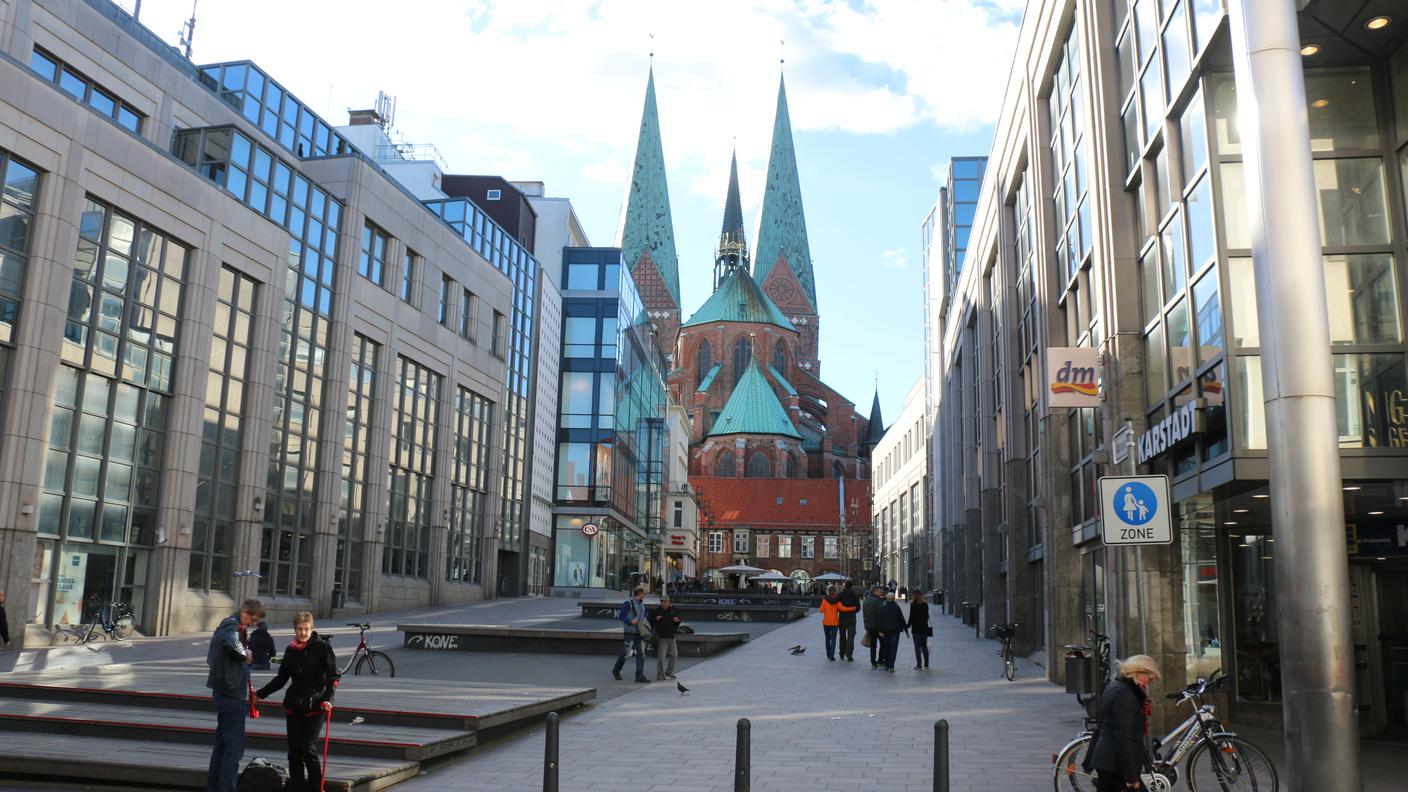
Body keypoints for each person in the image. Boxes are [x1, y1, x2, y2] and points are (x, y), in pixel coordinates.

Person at [256, 612, 337, 792]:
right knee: (294, 753)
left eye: (306, 629)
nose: (303, 633)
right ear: (295, 630)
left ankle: (316, 788)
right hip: (294, 705)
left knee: (308, 749)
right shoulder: (290, 650)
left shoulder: (322, 648)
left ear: (312, 628)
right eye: (300, 629)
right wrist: (260, 694)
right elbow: (281, 679)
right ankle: (298, 788)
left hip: (317, 704)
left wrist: (328, 699)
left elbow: (333, 677)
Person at [205, 598, 265, 792]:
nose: (253, 624)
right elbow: (231, 643)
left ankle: (214, 788)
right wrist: (245, 654)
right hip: (231, 694)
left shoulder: (230, 625)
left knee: (222, 746)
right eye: (253, 619)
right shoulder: (231, 625)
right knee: (233, 749)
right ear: (245, 612)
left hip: (225, 691)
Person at [1087, 655, 1160, 792]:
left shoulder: (1116, 686)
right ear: (1139, 672)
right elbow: (1124, 737)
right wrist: (1131, 777)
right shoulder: (1126, 696)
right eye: (1149, 678)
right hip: (1115, 764)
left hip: (1108, 761)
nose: (1150, 682)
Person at [611, 587, 651, 683]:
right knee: (626, 653)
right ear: (639, 593)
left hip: (640, 633)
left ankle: (639, 675)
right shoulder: (628, 603)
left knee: (641, 654)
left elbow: (642, 618)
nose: (644, 596)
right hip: (630, 632)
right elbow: (621, 616)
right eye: (643, 594)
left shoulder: (642, 605)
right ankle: (616, 670)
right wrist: (630, 621)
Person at [817, 585, 855, 661]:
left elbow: (820, 611)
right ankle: (832, 655)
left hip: (826, 623)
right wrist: (852, 608)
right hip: (835, 623)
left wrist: (823, 607)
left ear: (827, 591)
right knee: (833, 639)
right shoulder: (837, 600)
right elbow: (843, 609)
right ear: (835, 591)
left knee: (827, 638)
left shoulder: (825, 600)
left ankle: (828, 654)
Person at [652, 595, 682, 680]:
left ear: (669, 602)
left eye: (665, 602)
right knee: (661, 657)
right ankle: (660, 674)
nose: (663, 604)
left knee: (674, 655)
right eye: (662, 602)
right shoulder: (657, 611)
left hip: (671, 636)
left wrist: (678, 620)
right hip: (662, 637)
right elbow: (650, 618)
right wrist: (655, 618)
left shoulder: (673, 610)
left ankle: (669, 672)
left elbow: (678, 620)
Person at [877, 592, 906, 672]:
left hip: (885, 631)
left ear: (887, 598)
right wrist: (906, 630)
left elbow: (880, 620)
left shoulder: (882, 607)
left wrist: (880, 631)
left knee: (886, 647)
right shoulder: (896, 607)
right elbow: (901, 618)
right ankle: (891, 666)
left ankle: (887, 664)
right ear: (893, 599)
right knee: (893, 648)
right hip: (895, 631)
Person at [836, 582, 860, 661]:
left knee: (842, 637)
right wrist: (852, 611)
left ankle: (842, 653)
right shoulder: (854, 595)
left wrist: (842, 610)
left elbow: (836, 605)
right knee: (851, 637)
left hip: (842, 618)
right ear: (851, 586)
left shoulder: (840, 595)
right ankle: (849, 655)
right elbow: (858, 607)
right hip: (852, 619)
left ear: (844, 586)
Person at [907, 590, 931, 670]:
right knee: (924, 646)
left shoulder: (913, 605)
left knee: (917, 647)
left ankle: (919, 665)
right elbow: (927, 616)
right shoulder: (925, 604)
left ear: (915, 596)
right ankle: (926, 665)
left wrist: (908, 626)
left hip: (916, 629)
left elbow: (911, 617)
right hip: (924, 628)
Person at [862, 585, 885, 668]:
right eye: (879, 591)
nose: (881, 592)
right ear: (875, 591)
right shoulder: (878, 601)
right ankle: (880, 660)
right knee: (883, 643)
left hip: (869, 626)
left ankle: (873, 663)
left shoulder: (866, 600)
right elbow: (881, 614)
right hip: (878, 627)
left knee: (873, 645)